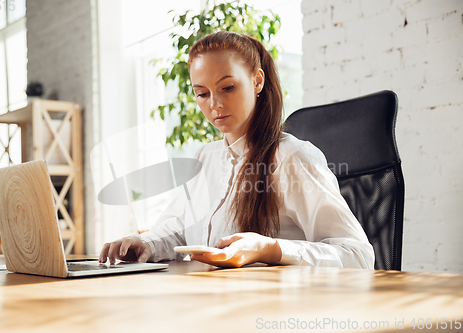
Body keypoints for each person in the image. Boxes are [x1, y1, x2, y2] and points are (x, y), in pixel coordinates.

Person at [99, 31, 374, 269]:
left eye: (227, 87)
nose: (214, 104)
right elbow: (178, 233)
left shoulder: (290, 158)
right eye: (202, 93)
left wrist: (270, 249)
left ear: (257, 82)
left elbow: (358, 255)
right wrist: (144, 243)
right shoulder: (203, 158)